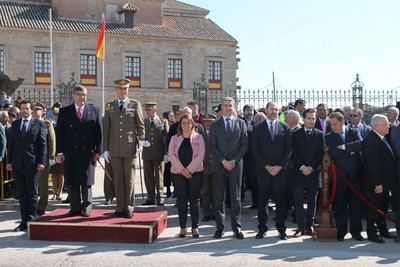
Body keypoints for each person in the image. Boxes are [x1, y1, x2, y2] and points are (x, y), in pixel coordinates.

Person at [56, 85, 102, 217]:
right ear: (74, 95)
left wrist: (98, 151)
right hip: (70, 152)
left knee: (86, 181)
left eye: (84, 95)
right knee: (72, 180)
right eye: (80, 94)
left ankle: (87, 206)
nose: (82, 97)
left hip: (88, 152)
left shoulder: (94, 110)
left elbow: (99, 133)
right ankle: (75, 207)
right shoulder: (65, 111)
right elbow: (60, 133)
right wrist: (59, 152)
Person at [102, 79, 144, 218]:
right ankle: (119, 207)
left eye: (125, 89)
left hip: (130, 147)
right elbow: (106, 128)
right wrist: (106, 149)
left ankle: (129, 208)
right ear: (116, 90)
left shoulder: (134, 104)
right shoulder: (109, 106)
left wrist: (140, 142)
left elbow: (140, 125)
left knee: (130, 179)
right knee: (118, 179)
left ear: (128, 89)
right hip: (114, 148)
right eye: (120, 89)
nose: (123, 91)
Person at [252, 102, 292, 240]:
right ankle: (262, 228)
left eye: (276, 109)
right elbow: (255, 150)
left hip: (280, 171)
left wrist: (280, 166)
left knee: (281, 201)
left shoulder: (285, 127)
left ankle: (281, 229)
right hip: (264, 171)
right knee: (262, 201)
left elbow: (288, 150)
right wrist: (267, 166)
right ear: (266, 110)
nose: (274, 111)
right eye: (271, 109)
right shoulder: (258, 128)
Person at [211, 97, 248, 239]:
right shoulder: (215, 125)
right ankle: (220, 228)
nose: (227, 107)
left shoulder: (241, 123)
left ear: (234, 107)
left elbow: (244, 144)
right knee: (219, 197)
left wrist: (233, 160)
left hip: (236, 165)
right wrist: (222, 161)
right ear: (221, 107)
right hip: (219, 165)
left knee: (236, 197)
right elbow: (212, 146)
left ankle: (236, 228)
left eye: (230, 105)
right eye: (225, 105)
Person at [7, 100, 47, 231]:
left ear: (31, 110)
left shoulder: (39, 124)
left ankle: (32, 218)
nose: (25, 111)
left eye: (27, 108)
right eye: (22, 108)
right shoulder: (15, 124)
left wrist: (42, 162)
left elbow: (42, 145)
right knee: (22, 193)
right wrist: (9, 162)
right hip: (18, 164)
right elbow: (11, 145)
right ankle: (24, 221)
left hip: (33, 164)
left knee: (32, 192)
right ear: (20, 110)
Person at [325, 112, 364, 241]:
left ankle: (356, 232)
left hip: (355, 175)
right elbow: (334, 153)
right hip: (339, 178)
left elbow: (360, 144)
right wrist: (350, 151)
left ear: (342, 122)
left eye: (335, 124)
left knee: (355, 205)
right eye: (331, 124)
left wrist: (344, 147)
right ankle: (341, 232)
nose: (333, 127)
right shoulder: (329, 137)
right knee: (340, 205)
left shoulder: (353, 131)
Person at [363, 114, 398, 243]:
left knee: (382, 208)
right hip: (376, 184)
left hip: (384, 183)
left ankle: (383, 231)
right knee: (373, 209)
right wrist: (377, 183)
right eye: (386, 125)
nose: (388, 127)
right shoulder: (371, 140)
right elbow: (373, 164)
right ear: (377, 126)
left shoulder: (381, 138)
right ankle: (372, 234)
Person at [168, 114, 205, 238]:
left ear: (192, 124)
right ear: (180, 125)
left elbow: (200, 156)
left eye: (188, 123)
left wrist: (189, 170)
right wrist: (182, 170)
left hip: (195, 173)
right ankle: (183, 227)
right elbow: (171, 155)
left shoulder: (199, 138)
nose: (186, 125)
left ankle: (195, 227)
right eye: (183, 123)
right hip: (178, 174)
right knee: (182, 200)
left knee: (194, 200)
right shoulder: (174, 138)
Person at [292, 108, 324, 236]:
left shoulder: (320, 134)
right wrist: (302, 167)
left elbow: (320, 153)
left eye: (313, 118)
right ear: (303, 119)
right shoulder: (295, 134)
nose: (311, 120)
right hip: (299, 173)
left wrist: (311, 167)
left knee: (312, 201)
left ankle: (309, 226)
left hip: (313, 172)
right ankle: (300, 226)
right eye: (309, 118)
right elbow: (293, 153)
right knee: (298, 201)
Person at [142, 102, 169, 206]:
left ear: (154, 110)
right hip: (147, 153)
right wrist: (142, 142)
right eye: (146, 110)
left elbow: (166, 138)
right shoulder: (144, 122)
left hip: (159, 153)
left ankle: (160, 197)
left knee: (159, 177)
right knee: (148, 177)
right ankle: (150, 197)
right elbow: (140, 135)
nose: (147, 112)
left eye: (149, 110)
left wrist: (166, 153)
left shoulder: (163, 121)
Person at [32, 102, 56, 216]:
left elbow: (52, 141)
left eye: (38, 109)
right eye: (34, 109)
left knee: (42, 184)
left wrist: (51, 156)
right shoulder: (29, 124)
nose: (36, 111)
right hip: (31, 159)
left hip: (43, 159)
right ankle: (32, 205)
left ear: (43, 111)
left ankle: (42, 206)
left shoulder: (47, 124)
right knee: (32, 184)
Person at [241, 104, 257, 208]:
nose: (249, 112)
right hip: (242, 155)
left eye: (251, 110)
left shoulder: (257, 121)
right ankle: (240, 200)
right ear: (244, 112)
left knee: (254, 180)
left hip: (254, 156)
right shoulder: (240, 121)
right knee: (241, 179)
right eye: (247, 110)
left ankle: (255, 202)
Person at [201, 113, 216, 221]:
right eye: (205, 122)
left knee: (216, 191)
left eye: (210, 122)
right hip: (204, 166)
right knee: (205, 191)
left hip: (216, 167)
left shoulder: (218, 134)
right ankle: (206, 213)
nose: (207, 125)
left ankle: (216, 212)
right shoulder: (199, 135)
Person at [49, 106, 64, 201]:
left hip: (61, 152)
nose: (56, 116)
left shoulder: (63, 124)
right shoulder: (51, 124)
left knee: (61, 174)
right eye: (55, 114)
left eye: (57, 114)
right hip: (53, 152)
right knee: (54, 173)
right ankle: (55, 192)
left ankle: (60, 192)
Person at [163, 111, 175, 198]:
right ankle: (167, 189)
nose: (172, 117)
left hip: (174, 152)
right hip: (166, 151)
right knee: (167, 172)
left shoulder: (175, 125)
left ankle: (175, 189)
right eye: (171, 115)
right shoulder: (164, 124)